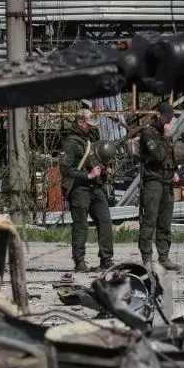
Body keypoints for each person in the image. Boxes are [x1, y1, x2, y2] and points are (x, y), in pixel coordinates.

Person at [60, 108, 114, 272]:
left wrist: (103, 170)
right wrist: (88, 175)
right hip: (79, 189)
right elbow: (65, 169)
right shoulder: (71, 143)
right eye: (88, 124)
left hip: (95, 188)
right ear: (80, 122)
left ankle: (106, 259)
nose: (91, 127)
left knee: (105, 221)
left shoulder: (89, 140)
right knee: (81, 226)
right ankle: (79, 262)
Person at [138, 101, 181, 270]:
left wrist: (175, 170)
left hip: (167, 181)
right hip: (153, 181)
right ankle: (147, 258)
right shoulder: (149, 134)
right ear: (158, 115)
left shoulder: (166, 132)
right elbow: (158, 155)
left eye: (171, 117)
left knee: (165, 222)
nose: (169, 120)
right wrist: (166, 137)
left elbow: (170, 155)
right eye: (167, 117)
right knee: (150, 221)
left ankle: (164, 257)